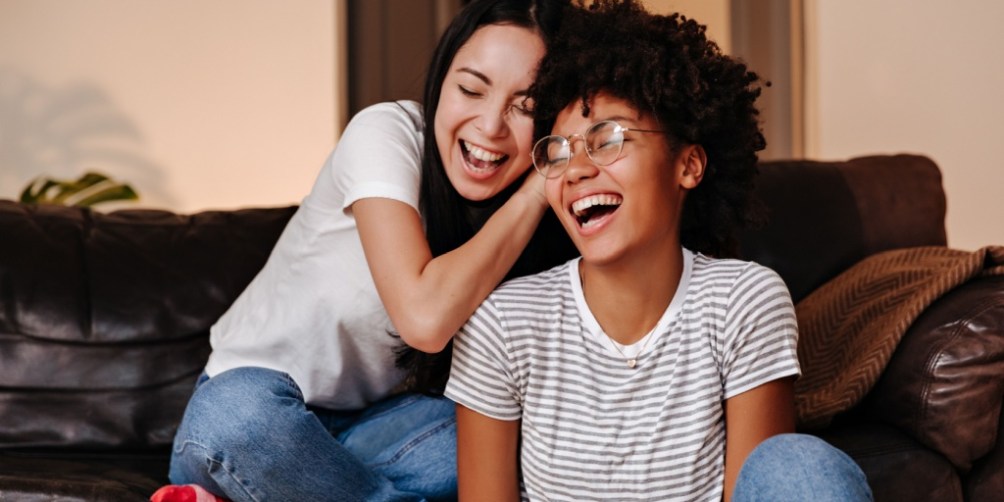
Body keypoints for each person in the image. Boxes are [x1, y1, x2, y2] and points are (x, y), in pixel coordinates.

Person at [444, 1, 874, 501]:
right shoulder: (504, 322)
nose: (576, 169)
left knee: (801, 465)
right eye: (558, 152)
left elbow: (764, 485)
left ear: (688, 166)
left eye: (607, 140)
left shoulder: (743, 301)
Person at [164, 0, 577, 500]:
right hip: (256, 413)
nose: (490, 126)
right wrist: (536, 187)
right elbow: (423, 319)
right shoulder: (388, 132)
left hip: (378, 430)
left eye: (527, 107)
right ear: (442, 81)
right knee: (237, 415)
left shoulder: (542, 220)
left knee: (500, 429)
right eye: (470, 89)